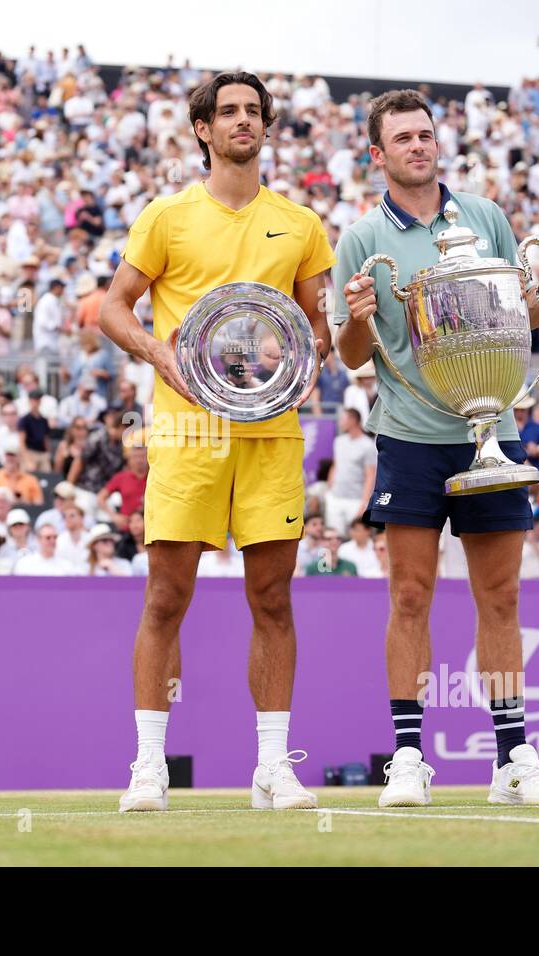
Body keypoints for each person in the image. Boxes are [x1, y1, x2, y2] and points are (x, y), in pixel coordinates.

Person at [99, 71, 334, 813]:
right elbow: (112, 309)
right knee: (167, 596)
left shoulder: (300, 224)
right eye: (228, 112)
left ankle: (271, 767)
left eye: (253, 112)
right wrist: (158, 354)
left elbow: (315, 328)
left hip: (270, 433)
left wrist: (307, 359)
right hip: (187, 427)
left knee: (273, 598)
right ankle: (148, 767)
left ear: (266, 126)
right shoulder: (167, 217)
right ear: (202, 129)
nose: (242, 121)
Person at [337, 89, 539, 807]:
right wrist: (352, 318)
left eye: (426, 134)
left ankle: (513, 758)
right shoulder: (358, 237)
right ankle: (408, 758)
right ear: (377, 154)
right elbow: (353, 355)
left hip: (489, 431)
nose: (419, 145)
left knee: (500, 597)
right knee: (409, 595)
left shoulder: (486, 218)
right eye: (403, 138)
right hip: (409, 434)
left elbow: (517, 325)